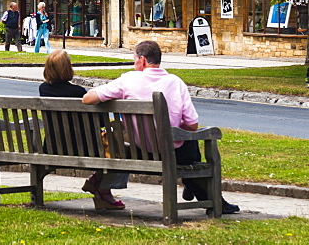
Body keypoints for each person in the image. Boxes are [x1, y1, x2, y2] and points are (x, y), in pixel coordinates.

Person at [82, 40, 240, 216]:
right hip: (173, 154)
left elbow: (88, 99)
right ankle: (209, 196)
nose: (134, 63)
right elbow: (192, 125)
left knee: (186, 147)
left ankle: (197, 189)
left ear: (142, 60)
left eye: (134, 59)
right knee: (191, 146)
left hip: (140, 151)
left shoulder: (128, 80)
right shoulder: (175, 82)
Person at [39, 50, 127, 210]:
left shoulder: (43, 90)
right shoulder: (77, 92)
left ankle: (100, 188)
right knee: (118, 147)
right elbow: (99, 121)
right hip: (84, 148)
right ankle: (101, 186)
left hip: (53, 147)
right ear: (68, 69)